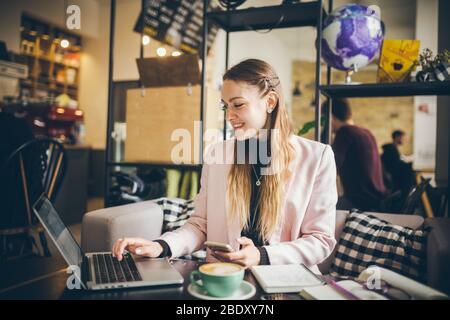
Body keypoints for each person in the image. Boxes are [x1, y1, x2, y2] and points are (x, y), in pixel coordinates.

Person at [111, 59, 338, 272]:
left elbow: (320, 241)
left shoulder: (317, 157)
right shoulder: (217, 155)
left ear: (270, 102)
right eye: (225, 107)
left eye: (238, 105)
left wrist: (262, 255)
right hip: (223, 280)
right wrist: (161, 246)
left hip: (285, 283)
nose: (230, 115)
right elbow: (200, 225)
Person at [329, 99, 387, 211]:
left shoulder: (345, 132)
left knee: (323, 208)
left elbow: (331, 166)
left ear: (331, 117)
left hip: (360, 201)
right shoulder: (366, 132)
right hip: (378, 197)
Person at [381, 130, 415, 197]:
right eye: (402, 137)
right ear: (397, 137)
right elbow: (396, 166)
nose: (404, 140)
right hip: (394, 179)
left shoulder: (391, 148)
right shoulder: (391, 149)